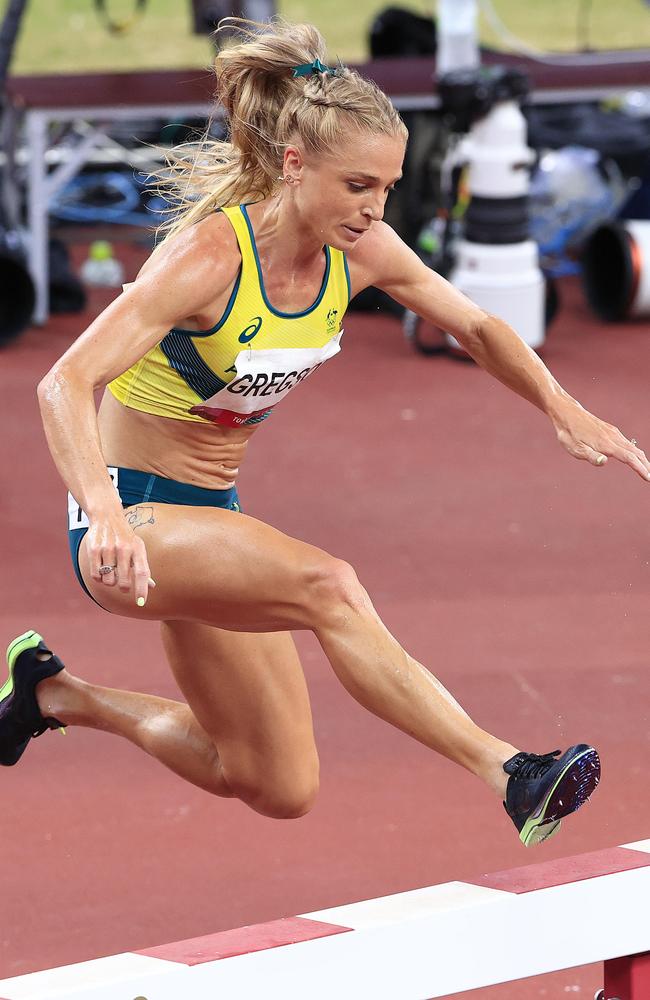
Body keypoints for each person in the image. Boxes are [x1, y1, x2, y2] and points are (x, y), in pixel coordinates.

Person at [3, 19, 648, 849]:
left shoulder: (364, 250)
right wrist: (105, 512)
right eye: (357, 186)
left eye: (387, 186)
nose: (375, 208)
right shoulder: (209, 261)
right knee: (330, 587)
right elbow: (65, 383)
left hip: (212, 519)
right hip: (128, 521)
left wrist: (561, 404)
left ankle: (53, 697)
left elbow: (479, 326)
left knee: (275, 783)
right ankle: (512, 772)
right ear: (295, 165)